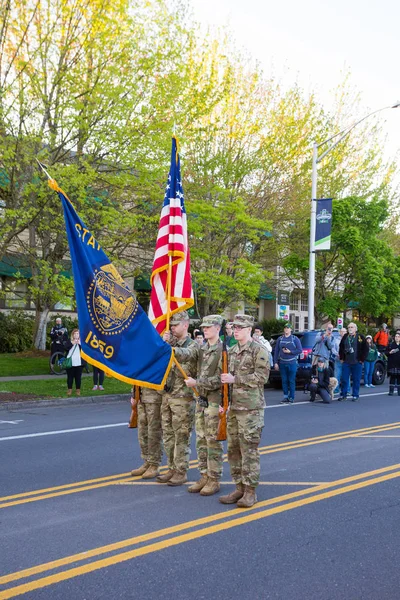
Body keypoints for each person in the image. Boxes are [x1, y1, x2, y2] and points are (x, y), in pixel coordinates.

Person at [218, 314, 270, 508]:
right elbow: (224, 380)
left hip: (251, 409)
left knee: (249, 451)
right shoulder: (231, 351)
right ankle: (239, 487)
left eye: (240, 327)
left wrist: (235, 379)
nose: (236, 330)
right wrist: (224, 401)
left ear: (249, 329)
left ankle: (250, 491)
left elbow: (262, 377)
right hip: (233, 408)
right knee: (233, 451)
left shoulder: (259, 350)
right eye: (234, 327)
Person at [173, 314, 224, 496]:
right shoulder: (201, 348)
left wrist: (197, 383)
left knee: (212, 441)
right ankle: (204, 475)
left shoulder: (223, 351)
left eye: (209, 327)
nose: (205, 329)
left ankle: (214, 478)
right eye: (203, 327)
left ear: (218, 328)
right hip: (202, 401)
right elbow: (187, 354)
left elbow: (221, 379)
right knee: (201, 440)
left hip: (214, 401)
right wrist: (170, 350)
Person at [157, 311, 197, 486]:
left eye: (175, 324)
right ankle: (172, 468)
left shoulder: (193, 345)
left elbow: (184, 355)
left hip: (183, 399)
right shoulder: (168, 344)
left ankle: (181, 471)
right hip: (167, 396)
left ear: (186, 325)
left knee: (181, 436)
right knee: (168, 435)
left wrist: (167, 346)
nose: (172, 327)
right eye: (171, 325)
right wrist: (162, 342)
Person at [130, 386, 163, 479]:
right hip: (140, 396)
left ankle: (154, 464)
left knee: (153, 432)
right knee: (142, 432)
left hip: (154, 397)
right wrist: (133, 393)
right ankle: (147, 461)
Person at [338, 322, 368, 402]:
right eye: (349, 327)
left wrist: (362, 359)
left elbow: (366, 349)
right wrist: (341, 357)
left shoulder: (360, 337)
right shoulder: (345, 337)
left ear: (355, 328)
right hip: (346, 362)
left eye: (352, 327)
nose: (350, 328)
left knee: (356, 379)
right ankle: (343, 395)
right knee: (344, 379)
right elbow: (340, 347)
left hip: (357, 362)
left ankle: (355, 395)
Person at [273, 323, 302, 404]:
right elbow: (276, 351)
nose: (286, 329)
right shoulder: (280, 338)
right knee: (284, 380)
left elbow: (300, 350)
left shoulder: (295, 338)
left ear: (291, 330)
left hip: (292, 362)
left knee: (291, 380)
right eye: (285, 328)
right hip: (282, 362)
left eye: (288, 328)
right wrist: (275, 362)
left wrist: (290, 352)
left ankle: (291, 397)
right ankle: (285, 396)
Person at [65, 329, 85, 396]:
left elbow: (86, 350)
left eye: (77, 333)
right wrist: (72, 343)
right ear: (73, 335)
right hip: (71, 362)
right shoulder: (69, 341)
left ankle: (78, 390)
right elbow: (66, 348)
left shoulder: (82, 342)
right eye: (75, 334)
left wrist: (79, 344)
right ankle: (69, 389)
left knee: (78, 378)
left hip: (79, 363)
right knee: (70, 377)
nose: (76, 335)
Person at [332, 327, 347, 394]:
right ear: (339, 332)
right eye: (341, 331)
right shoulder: (336, 340)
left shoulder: (348, 339)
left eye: (344, 331)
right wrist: (337, 354)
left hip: (346, 360)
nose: (343, 333)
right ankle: (336, 389)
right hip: (338, 359)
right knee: (337, 375)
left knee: (346, 375)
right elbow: (333, 349)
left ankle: (347, 390)